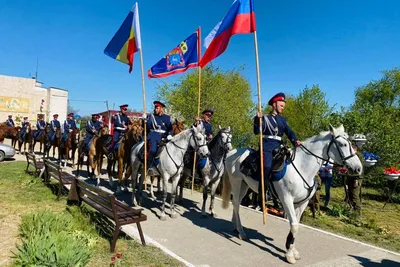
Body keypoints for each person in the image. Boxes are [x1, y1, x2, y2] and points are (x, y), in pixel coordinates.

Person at [253, 92, 302, 200]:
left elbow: (289, 131)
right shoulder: (264, 117)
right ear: (274, 104)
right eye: (281, 105)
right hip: (267, 146)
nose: (283, 108)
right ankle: (263, 192)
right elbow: (257, 131)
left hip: (279, 146)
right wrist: (257, 119)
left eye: (283, 106)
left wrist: (295, 140)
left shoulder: (282, 120)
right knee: (267, 166)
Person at [143, 101, 173, 168]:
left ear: (161, 109)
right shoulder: (151, 117)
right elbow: (148, 127)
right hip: (154, 136)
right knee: (153, 150)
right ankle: (149, 166)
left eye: (157, 108)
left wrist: (170, 134)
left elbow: (170, 129)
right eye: (155, 108)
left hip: (164, 137)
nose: (156, 109)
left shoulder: (167, 118)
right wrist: (145, 120)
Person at [345, 144, 364, 221]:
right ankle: (352, 212)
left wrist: (356, 179)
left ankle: (358, 215)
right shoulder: (352, 156)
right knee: (349, 194)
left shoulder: (358, 156)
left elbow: (358, 168)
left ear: (355, 149)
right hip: (350, 177)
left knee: (355, 195)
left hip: (356, 178)